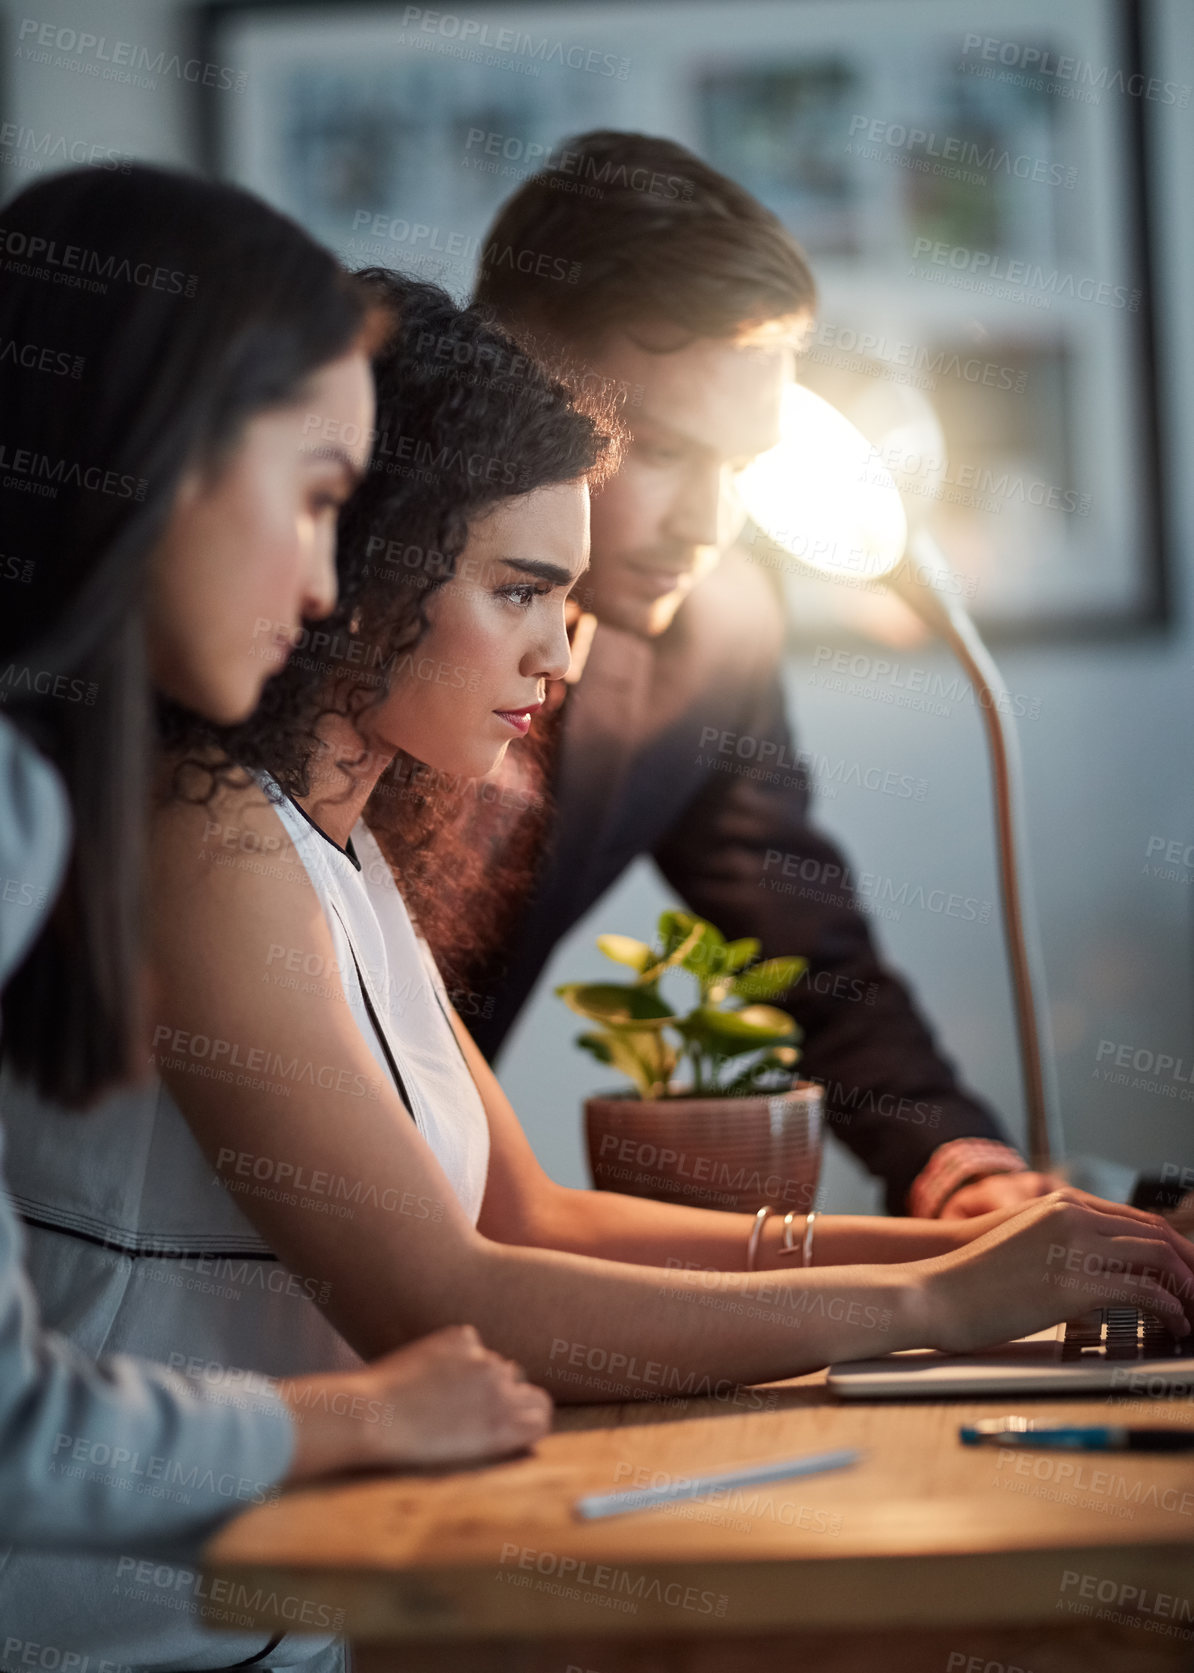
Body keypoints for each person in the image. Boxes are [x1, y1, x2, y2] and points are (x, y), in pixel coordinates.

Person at [7, 271, 1182, 1441]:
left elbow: (539, 1224)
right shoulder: (209, 842)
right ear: (369, 573)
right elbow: (449, 1301)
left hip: (293, 1586)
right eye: (521, 594)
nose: (557, 662)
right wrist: (939, 1297)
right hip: (151, 1601)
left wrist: (1003, 1247)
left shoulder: (342, 848)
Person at [0, 170, 548, 1671]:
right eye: (315, 498)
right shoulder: (104, 819)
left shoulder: (96, 811)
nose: (321, 583)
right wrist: (367, 1416)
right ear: (157, 443)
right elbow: (13, 1436)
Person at [455, 129, 1064, 1220]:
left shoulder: (713, 634)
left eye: (742, 461)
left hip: (432, 1239)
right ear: (503, 385)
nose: (708, 523)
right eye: (660, 446)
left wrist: (966, 1171)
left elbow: (814, 953)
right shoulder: (337, 595)